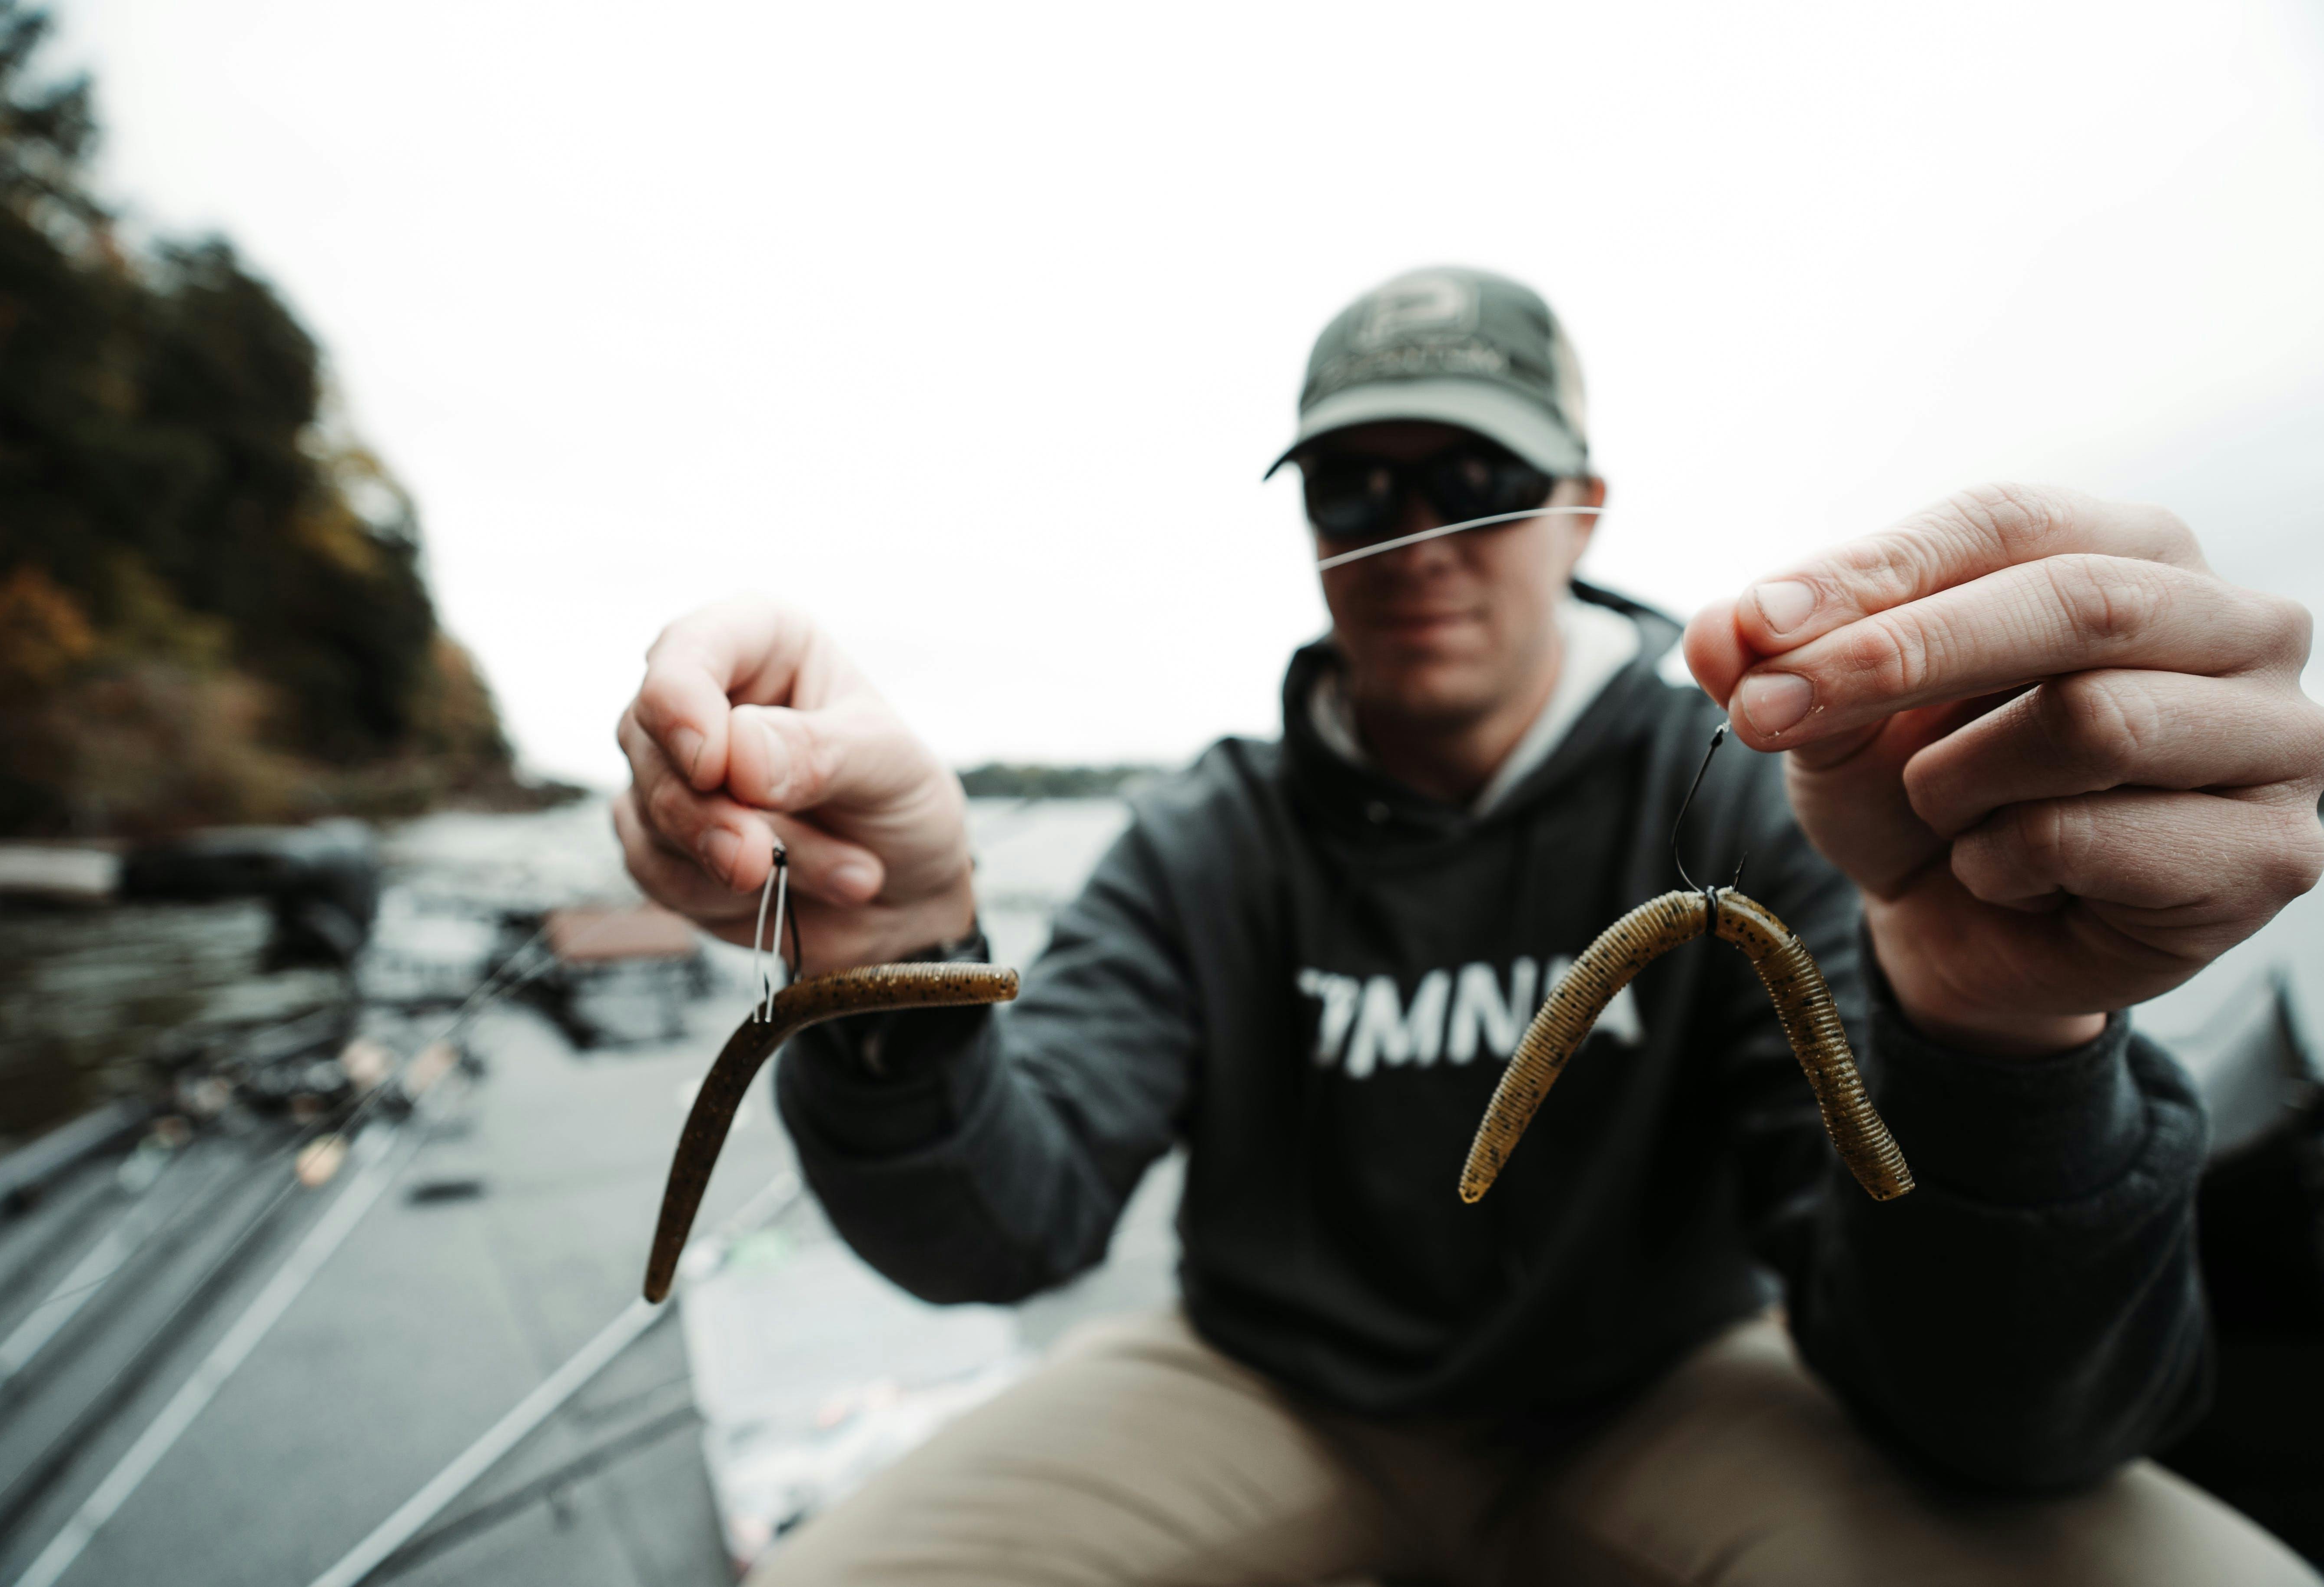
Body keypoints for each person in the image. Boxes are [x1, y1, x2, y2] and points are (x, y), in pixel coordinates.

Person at [615, 266, 2324, 1585]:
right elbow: (996, 1230)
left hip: (1666, 1386)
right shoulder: (1207, 837)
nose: (1413, 531)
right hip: (1265, 1385)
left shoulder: (1759, 799)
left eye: (1468, 472)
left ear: (1578, 502)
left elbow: (2005, 1415)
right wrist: (882, 949)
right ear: (1306, 529)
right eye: (1353, 487)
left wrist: (2000, 1041)